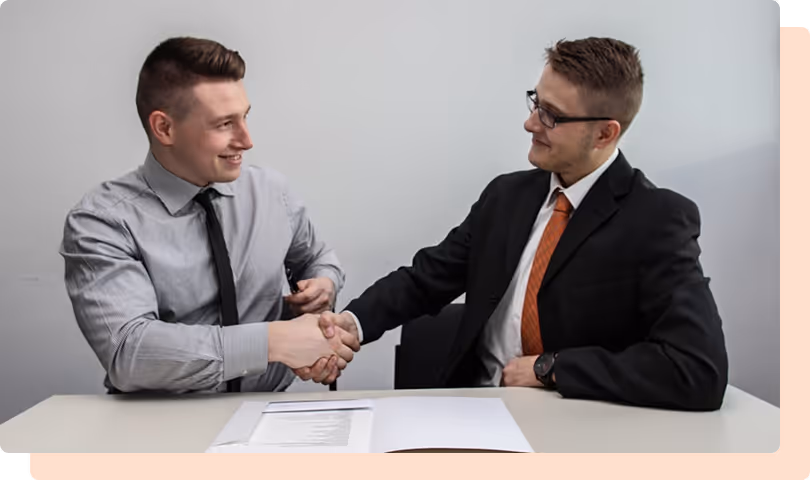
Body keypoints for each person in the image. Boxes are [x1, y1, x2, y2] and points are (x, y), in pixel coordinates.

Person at [310, 37, 728, 411]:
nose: (531, 123)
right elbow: (426, 280)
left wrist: (552, 368)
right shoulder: (507, 197)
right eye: (536, 103)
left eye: (552, 116)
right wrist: (352, 324)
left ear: (604, 133)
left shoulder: (657, 220)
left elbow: (697, 370)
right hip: (472, 412)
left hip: (575, 428)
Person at [59, 37, 358, 394]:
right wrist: (270, 341)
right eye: (224, 124)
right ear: (164, 128)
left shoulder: (272, 192)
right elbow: (130, 353)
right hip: (158, 428)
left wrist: (323, 285)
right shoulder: (101, 222)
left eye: (245, 117)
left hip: (270, 413)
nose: (247, 141)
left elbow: (317, 258)